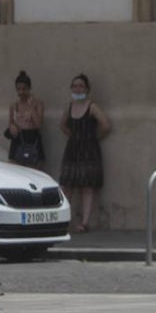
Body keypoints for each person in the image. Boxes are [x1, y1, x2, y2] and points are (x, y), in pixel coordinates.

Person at [59, 73, 111, 233]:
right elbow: (62, 125)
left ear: (87, 89)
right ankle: (64, 219)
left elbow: (105, 125)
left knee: (87, 186)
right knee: (68, 185)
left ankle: (85, 222)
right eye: (74, 86)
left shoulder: (92, 106)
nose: (77, 88)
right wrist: (74, 136)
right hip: (73, 149)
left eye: (81, 86)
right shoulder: (70, 106)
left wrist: (94, 138)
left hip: (89, 150)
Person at [6, 70, 45, 167]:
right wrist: (12, 127)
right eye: (18, 89)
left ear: (29, 88)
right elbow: (11, 122)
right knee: (15, 169)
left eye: (24, 89)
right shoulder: (14, 105)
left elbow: (38, 124)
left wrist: (31, 107)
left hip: (32, 138)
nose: (21, 92)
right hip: (18, 139)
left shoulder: (38, 103)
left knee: (35, 168)